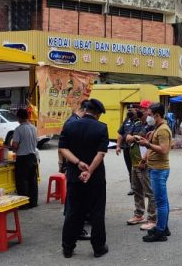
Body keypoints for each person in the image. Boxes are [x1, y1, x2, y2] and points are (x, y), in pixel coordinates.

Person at [59, 99, 110, 258]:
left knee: (73, 212)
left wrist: (78, 163)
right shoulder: (101, 128)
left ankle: (68, 248)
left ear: (86, 110)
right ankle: (98, 248)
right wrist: (90, 170)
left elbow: (63, 148)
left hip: (75, 175)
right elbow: (100, 153)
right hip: (95, 178)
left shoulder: (69, 125)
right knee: (96, 212)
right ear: (98, 114)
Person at [136, 103, 173, 242]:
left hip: (159, 170)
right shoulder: (158, 128)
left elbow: (164, 150)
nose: (148, 117)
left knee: (160, 202)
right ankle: (164, 227)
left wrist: (147, 144)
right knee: (163, 201)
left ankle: (161, 231)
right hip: (156, 168)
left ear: (157, 115)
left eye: (150, 114)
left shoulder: (163, 129)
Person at [58, 100, 92, 241]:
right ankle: (75, 229)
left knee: (75, 198)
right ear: (84, 110)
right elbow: (62, 147)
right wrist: (63, 164)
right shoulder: (72, 123)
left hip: (77, 164)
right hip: (75, 166)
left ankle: (76, 224)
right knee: (74, 199)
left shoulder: (75, 121)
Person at [125, 109, 157, 231]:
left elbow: (148, 144)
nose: (146, 116)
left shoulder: (153, 127)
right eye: (146, 113)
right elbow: (127, 136)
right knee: (137, 190)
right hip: (135, 162)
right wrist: (134, 137)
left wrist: (144, 160)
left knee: (149, 192)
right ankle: (139, 214)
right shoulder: (137, 124)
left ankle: (152, 218)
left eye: (149, 114)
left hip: (144, 163)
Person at [11, 109, 39, 209]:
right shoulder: (34, 128)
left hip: (23, 158)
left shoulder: (19, 129)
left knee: (22, 181)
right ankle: (33, 202)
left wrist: (11, 147)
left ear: (19, 118)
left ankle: (24, 204)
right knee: (32, 181)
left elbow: (15, 145)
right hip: (33, 157)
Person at [116, 104, 138, 196]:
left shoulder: (139, 121)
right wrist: (118, 146)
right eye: (128, 110)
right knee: (130, 168)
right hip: (126, 148)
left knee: (139, 168)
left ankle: (142, 187)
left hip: (136, 149)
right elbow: (121, 134)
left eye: (131, 110)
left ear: (136, 110)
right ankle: (133, 187)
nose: (129, 112)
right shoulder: (126, 121)